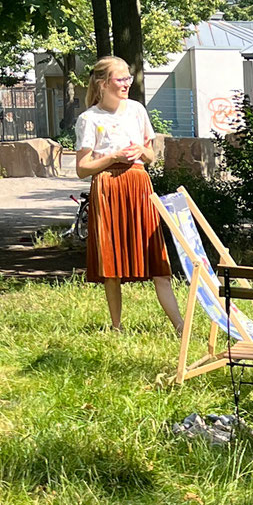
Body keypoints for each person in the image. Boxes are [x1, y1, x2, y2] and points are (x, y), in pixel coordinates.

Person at [74, 56, 184, 336]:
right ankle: (116, 327)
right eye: (120, 78)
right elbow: (82, 169)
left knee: (157, 258)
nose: (126, 84)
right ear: (103, 83)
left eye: (128, 78)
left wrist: (140, 152)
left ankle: (181, 326)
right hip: (108, 188)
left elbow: (150, 156)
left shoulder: (136, 110)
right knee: (111, 263)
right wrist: (113, 156)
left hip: (138, 186)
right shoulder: (89, 118)